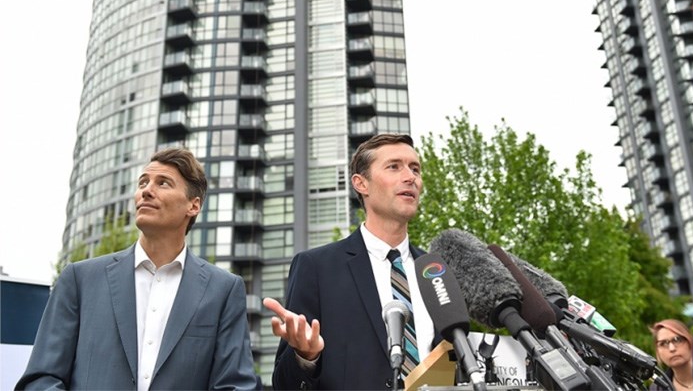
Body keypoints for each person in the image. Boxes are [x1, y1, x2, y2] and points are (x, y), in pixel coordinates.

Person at [16, 148, 258, 390]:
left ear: (193, 206)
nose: (146, 191)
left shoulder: (224, 290)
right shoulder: (80, 280)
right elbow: (41, 379)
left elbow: (235, 385)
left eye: (163, 183)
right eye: (143, 182)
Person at [263, 134, 437, 389]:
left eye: (415, 168)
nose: (410, 177)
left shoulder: (437, 272)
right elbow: (284, 385)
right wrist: (305, 357)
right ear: (361, 184)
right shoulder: (317, 268)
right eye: (394, 166)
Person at [649, 319, 693, 391]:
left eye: (677, 340)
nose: (672, 348)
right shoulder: (658, 388)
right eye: (663, 343)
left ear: (690, 341)